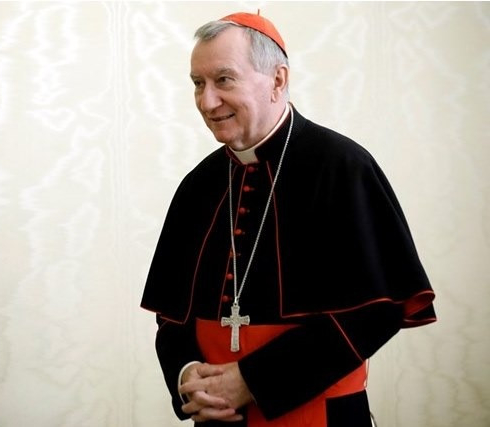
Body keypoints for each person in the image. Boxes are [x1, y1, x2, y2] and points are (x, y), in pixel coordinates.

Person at [140, 11, 436, 427]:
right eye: (198, 84)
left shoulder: (342, 167)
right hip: (218, 419)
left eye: (224, 80)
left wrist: (253, 379)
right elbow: (171, 315)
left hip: (320, 416)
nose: (207, 101)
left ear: (277, 80)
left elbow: (377, 310)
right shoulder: (198, 185)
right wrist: (187, 376)